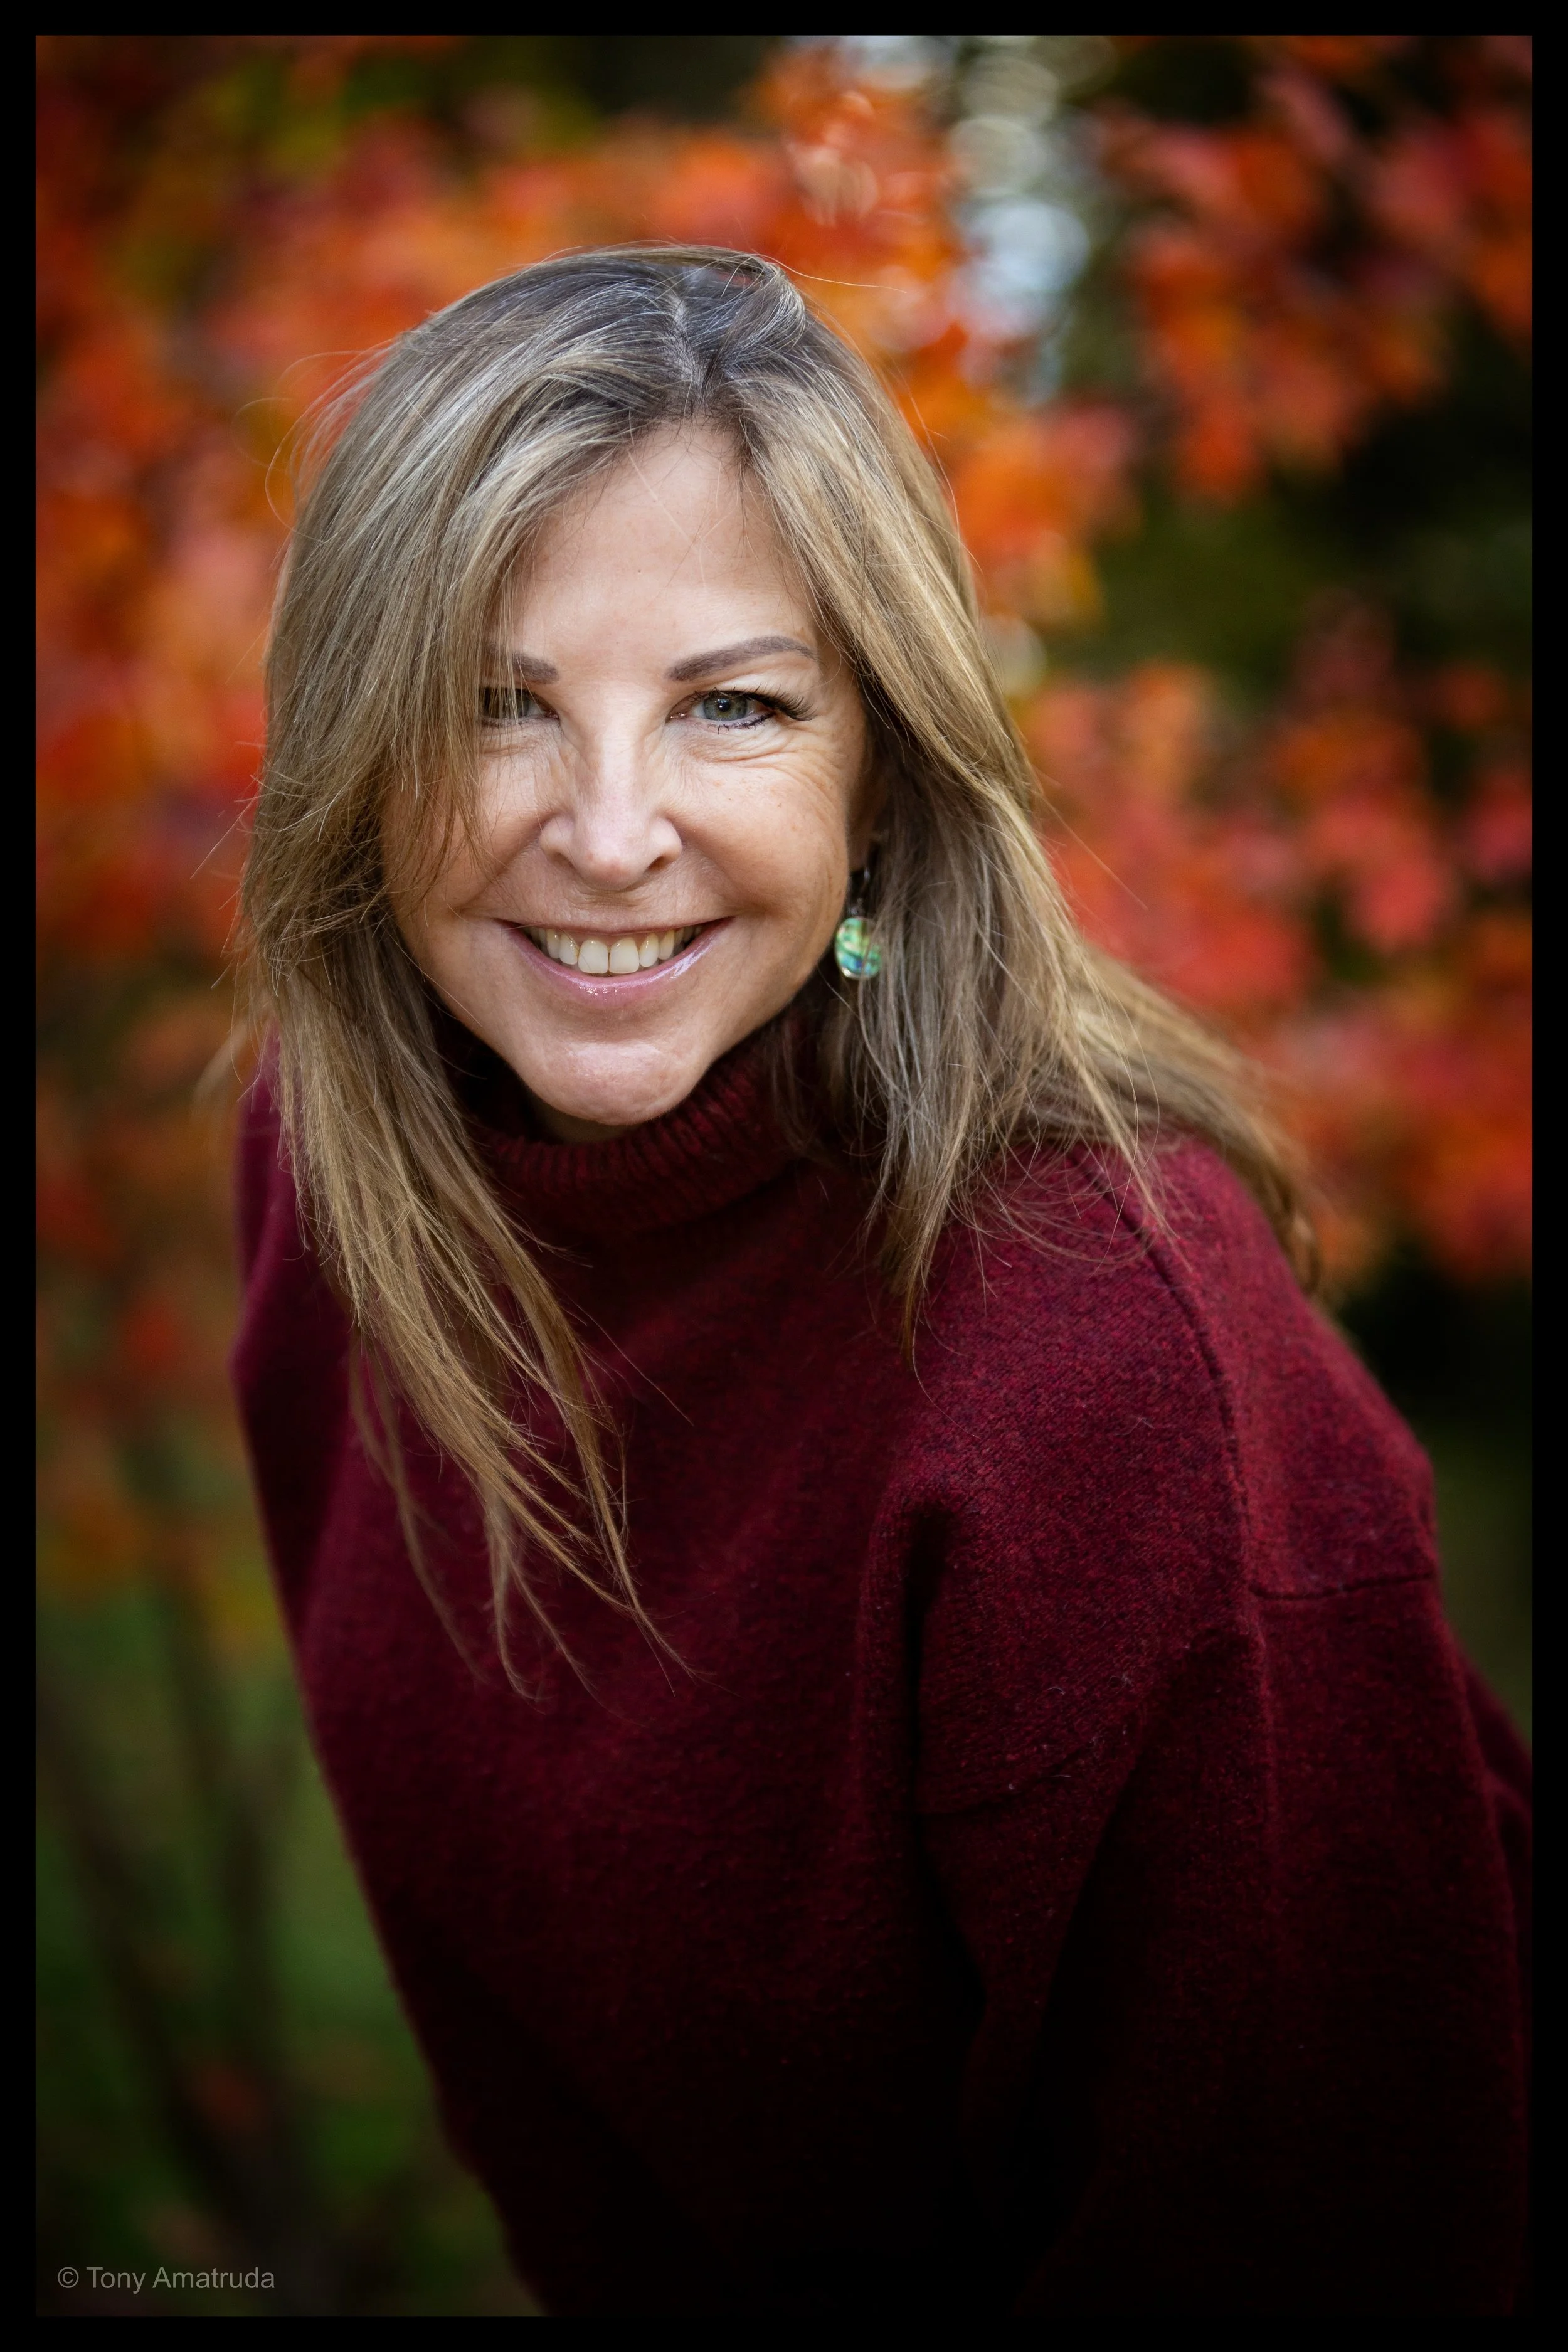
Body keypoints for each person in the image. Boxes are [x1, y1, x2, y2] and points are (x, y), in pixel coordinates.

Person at [232, 246, 1530, 2314]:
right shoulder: (343, 1167)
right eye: (499, 705)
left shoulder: (1101, 1372)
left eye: (731, 705)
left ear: (882, 783)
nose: (609, 830)